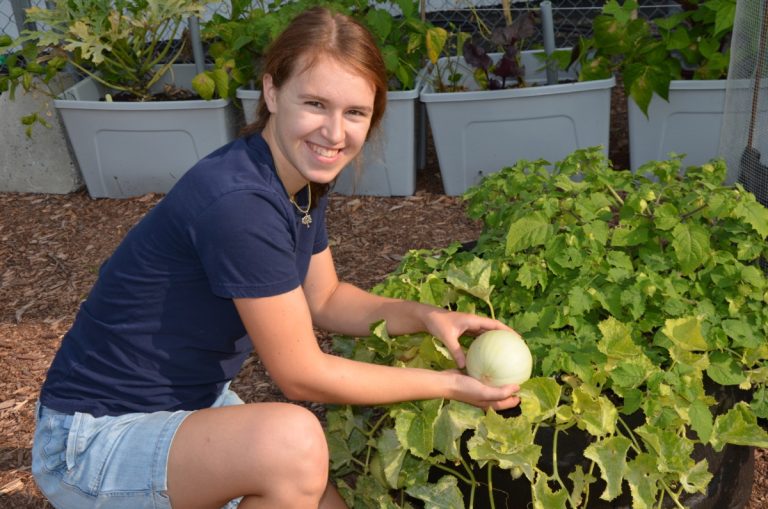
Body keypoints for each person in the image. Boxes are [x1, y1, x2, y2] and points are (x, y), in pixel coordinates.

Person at [31, 6, 521, 509]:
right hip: (93, 441)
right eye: (315, 104)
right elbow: (300, 374)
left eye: (355, 112)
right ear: (271, 92)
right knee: (292, 444)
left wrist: (427, 317)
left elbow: (326, 298)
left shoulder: (296, 179)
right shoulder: (241, 202)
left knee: (317, 492)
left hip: (186, 411)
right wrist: (448, 385)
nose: (335, 133)